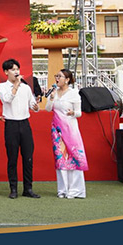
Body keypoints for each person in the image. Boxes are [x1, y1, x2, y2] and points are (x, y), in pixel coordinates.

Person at [0, 58, 40, 199]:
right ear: (5, 72)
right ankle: (13, 188)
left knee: (28, 157)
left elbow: (33, 104)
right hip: (11, 124)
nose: (16, 72)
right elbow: (7, 99)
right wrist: (15, 85)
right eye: (13, 69)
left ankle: (28, 188)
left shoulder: (26, 87)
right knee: (12, 158)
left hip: (25, 124)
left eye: (17, 69)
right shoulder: (2, 87)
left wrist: (35, 106)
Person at [44, 68, 88, 199]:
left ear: (67, 79)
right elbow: (47, 109)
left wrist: (72, 113)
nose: (57, 78)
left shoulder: (74, 93)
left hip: (71, 130)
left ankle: (75, 190)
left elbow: (79, 113)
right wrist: (51, 98)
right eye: (56, 76)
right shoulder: (54, 92)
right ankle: (62, 190)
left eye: (60, 76)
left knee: (73, 157)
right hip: (57, 130)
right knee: (61, 158)